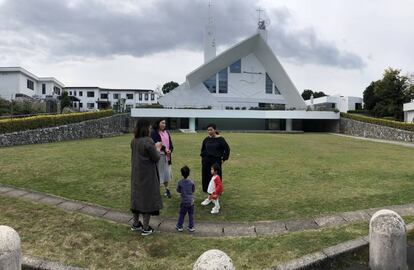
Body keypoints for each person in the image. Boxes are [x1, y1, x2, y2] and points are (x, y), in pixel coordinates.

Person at [130, 118, 163, 236]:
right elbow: (156, 157)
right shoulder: (148, 141)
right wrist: (158, 148)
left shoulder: (134, 141)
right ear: (145, 128)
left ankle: (135, 224)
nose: (150, 129)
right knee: (147, 199)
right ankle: (145, 227)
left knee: (136, 198)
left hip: (136, 174)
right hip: (147, 175)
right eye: (148, 127)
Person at [200, 123, 230, 193]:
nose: (209, 131)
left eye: (211, 130)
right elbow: (203, 149)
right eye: (208, 130)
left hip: (216, 161)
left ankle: (217, 190)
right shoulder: (206, 139)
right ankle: (206, 189)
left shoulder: (220, 139)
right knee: (206, 175)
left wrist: (224, 159)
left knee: (216, 176)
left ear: (215, 130)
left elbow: (227, 149)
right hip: (206, 160)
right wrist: (203, 158)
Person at [151, 119, 174, 198]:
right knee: (159, 174)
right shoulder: (154, 132)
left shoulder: (167, 132)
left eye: (165, 123)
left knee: (166, 174)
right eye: (162, 123)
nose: (164, 124)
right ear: (158, 123)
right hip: (159, 156)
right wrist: (165, 149)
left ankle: (167, 190)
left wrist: (170, 149)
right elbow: (155, 143)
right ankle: (155, 191)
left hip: (167, 156)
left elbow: (170, 143)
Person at [175, 165, 195, 232]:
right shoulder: (191, 182)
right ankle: (191, 227)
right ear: (189, 173)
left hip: (184, 202)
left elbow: (178, 190)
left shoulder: (180, 182)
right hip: (191, 201)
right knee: (191, 214)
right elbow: (193, 190)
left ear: (181, 174)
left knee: (182, 214)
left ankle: (179, 226)